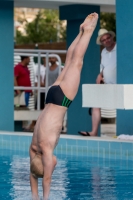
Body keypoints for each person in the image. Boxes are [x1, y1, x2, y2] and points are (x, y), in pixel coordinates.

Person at [29, 13, 98, 200]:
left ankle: (89, 31)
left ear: (45, 163)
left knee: (77, 62)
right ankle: (80, 32)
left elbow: (47, 179)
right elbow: (33, 174)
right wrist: (33, 195)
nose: (53, 164)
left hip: (61, 101)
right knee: (69, 61)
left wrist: (44, 198)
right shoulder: (34, 148)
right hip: (51, 96)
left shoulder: (46, 148)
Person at [78, 28, 116, 136]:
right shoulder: (103, 52)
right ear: (102, 42)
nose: (106, 41)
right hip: (107, 86)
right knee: (95, 104)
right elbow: (103, 67)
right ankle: (94, 132)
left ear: (111, 37)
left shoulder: (119, 48)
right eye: (103, 40)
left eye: (108, 38)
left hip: (119, 86)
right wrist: (100, 75)